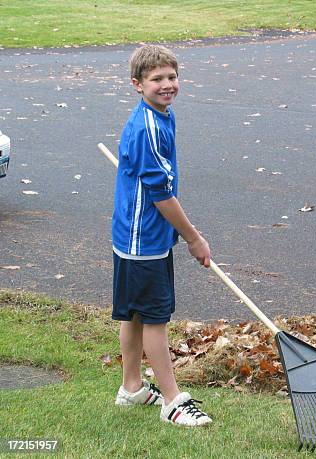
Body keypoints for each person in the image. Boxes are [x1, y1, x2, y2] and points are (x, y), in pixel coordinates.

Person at [112, 44, 212, 426]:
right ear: (137, 84)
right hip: (144, 239)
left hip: (132, 234)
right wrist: (193, 238)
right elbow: (161, 195)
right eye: (157, 79)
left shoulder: (156, 115)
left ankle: (132, 388)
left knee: (135, 312)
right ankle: (172, 400)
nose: (167, 84)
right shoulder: (149, 127)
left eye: (172, 77)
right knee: (154, 316)